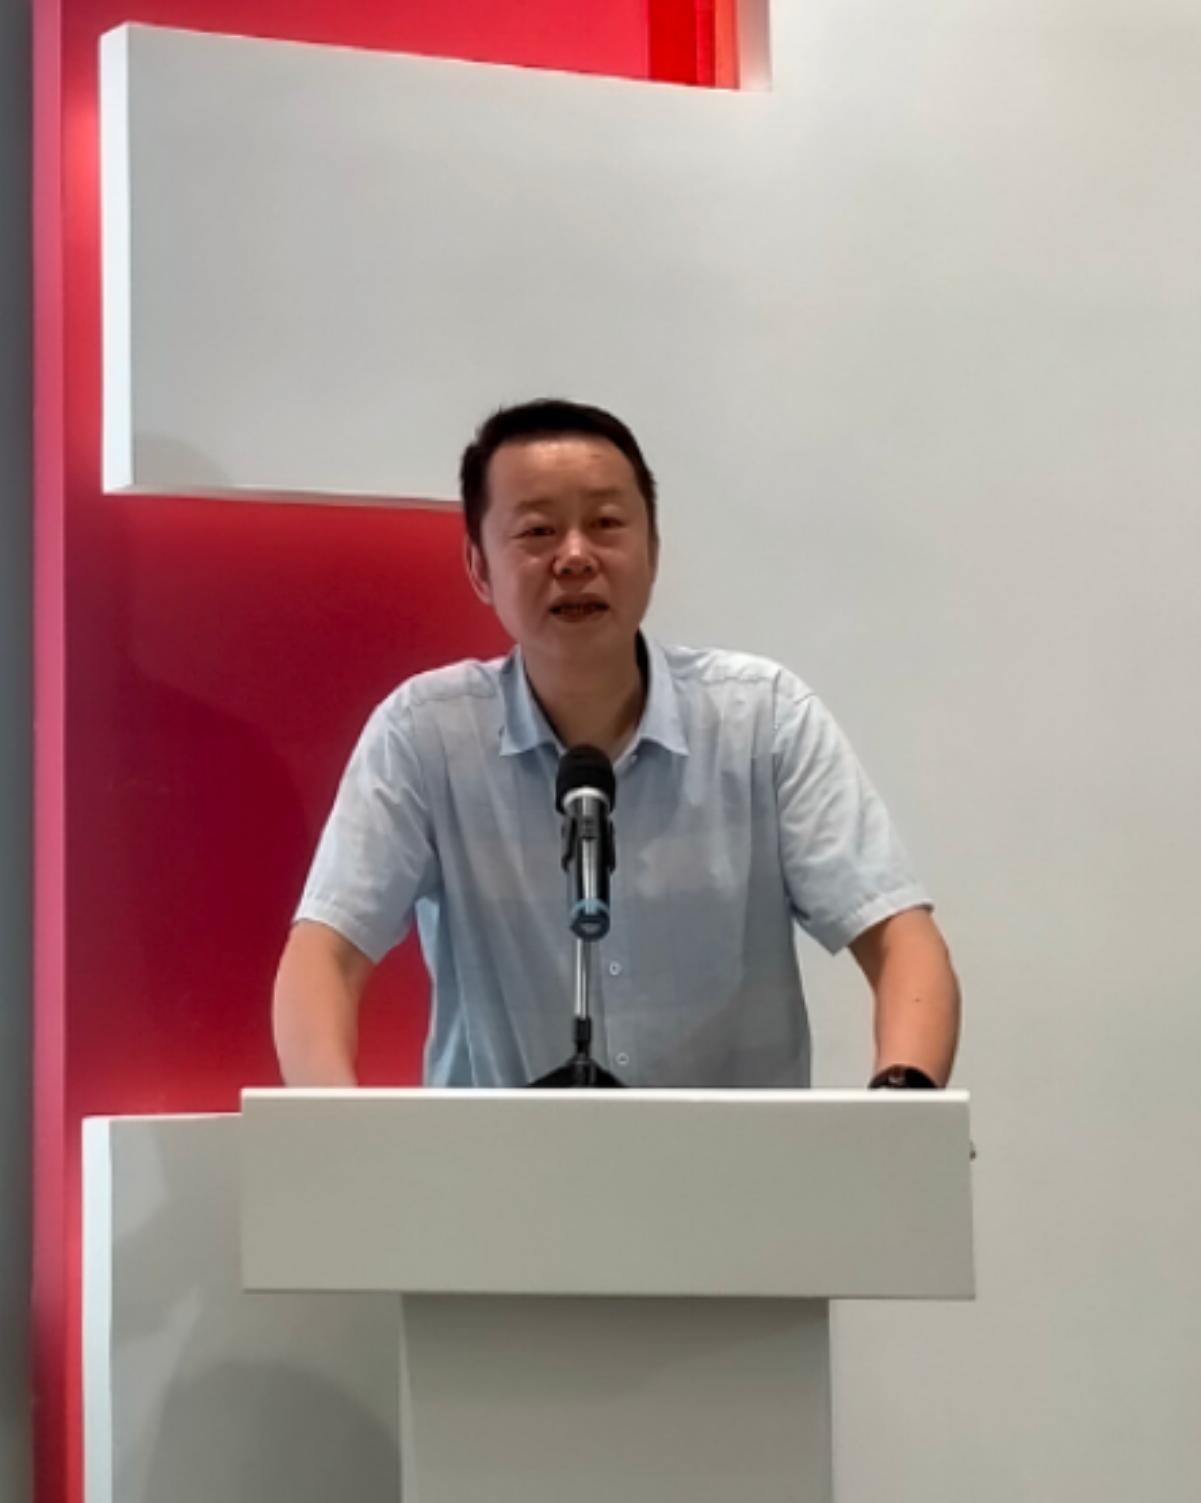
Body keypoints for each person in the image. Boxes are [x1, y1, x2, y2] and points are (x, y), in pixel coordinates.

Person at [272, 398, 960, 1090]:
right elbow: (324, 956)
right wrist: (336, 1130)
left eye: (605, 524)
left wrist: (901, 1109)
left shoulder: (764, 719)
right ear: (479, 568)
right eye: (538, 531)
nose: (575, 557)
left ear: (653, 551)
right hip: (502, 1158)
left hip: (735, 1160)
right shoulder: (425, 735)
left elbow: (901, 941)